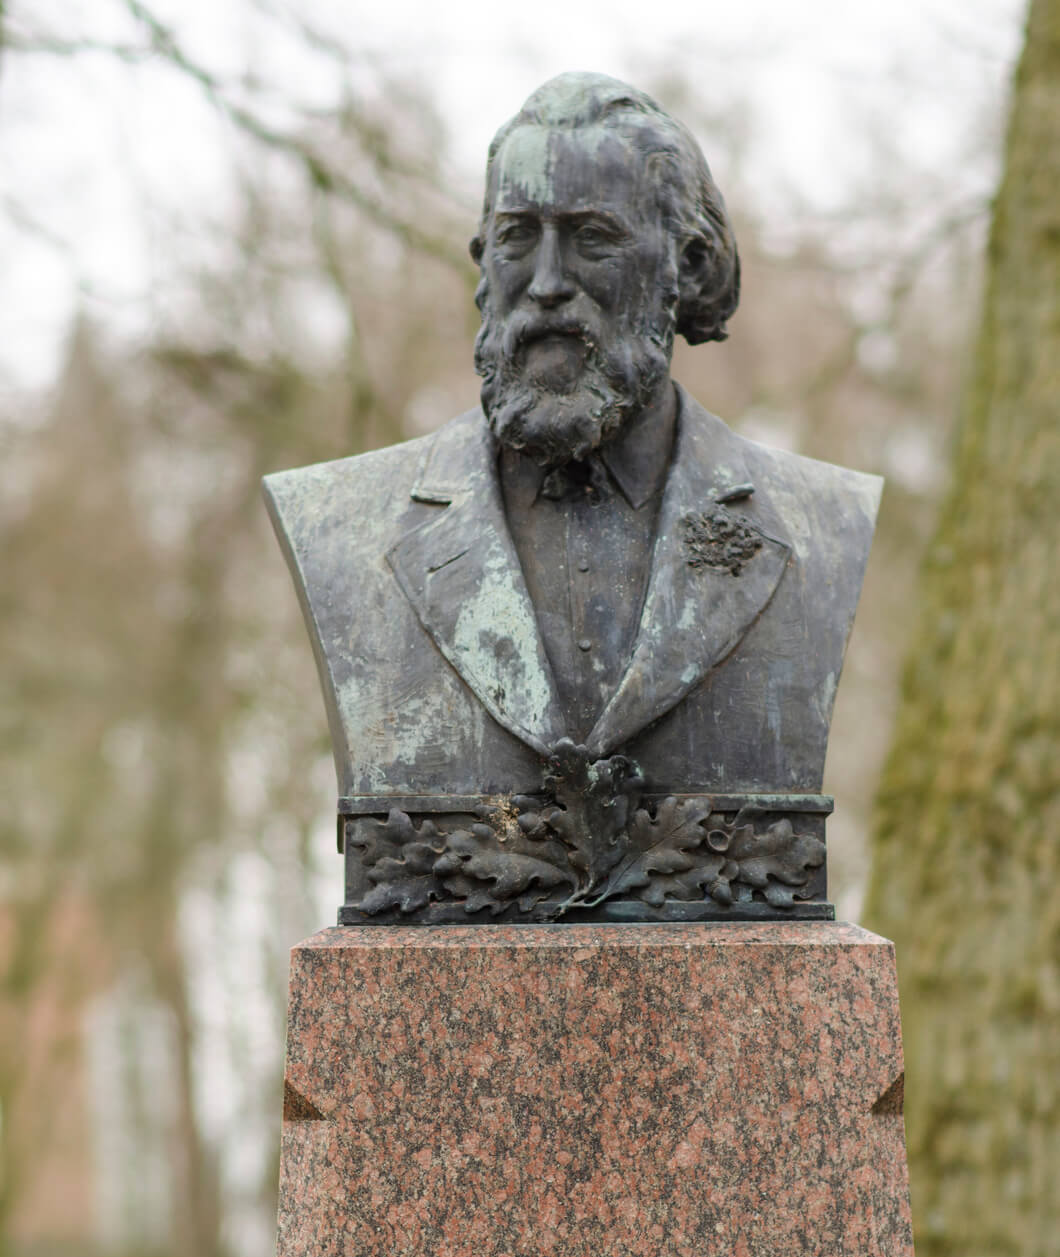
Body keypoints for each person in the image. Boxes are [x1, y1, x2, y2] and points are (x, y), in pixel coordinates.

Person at [264, 73, 880, 920]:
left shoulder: (821, 522)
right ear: (484, 265)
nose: (548, 283)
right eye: (518, 238)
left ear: (684, 266)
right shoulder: (340, 522)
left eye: (592, 238)